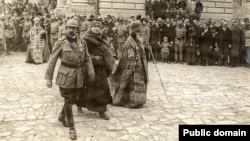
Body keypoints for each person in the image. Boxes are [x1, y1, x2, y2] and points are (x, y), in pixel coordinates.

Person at [45, 19, 95, 140]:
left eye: (74, 28)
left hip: (79, 75)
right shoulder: (61, 43)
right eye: (69, 28)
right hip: (66, 75)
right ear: (66, 29)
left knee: (73, 98)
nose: (72, 30)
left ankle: (62, 116)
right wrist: (48, 78)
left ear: (77, 30)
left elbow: (87, 58)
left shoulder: (82, 43)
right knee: (68, 100)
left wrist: (91, 71)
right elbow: (52, 60)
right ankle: (72, 128)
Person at [79, 20, 114, 120]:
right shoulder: (85, 38)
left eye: (98, 27)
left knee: (102, 88)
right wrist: (94, 58)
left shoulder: (101, 38)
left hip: (100, 67)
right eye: (94, 26)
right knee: (86, 88)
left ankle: (102, 111)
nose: (96, 28)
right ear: (90, 27)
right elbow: (83, 54)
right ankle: (79, 106)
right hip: (90, 68)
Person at [112, 20, 148, 108]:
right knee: (132, 85)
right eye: (138, 32)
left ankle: (139, 100)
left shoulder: (138, 41)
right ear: (133, 33)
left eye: (141, 31)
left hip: (140, 67)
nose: (141, 33)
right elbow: (128, 58)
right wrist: (133, 65)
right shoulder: (129, 43)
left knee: (139, 84)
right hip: (133, 68)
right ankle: (132, 101)